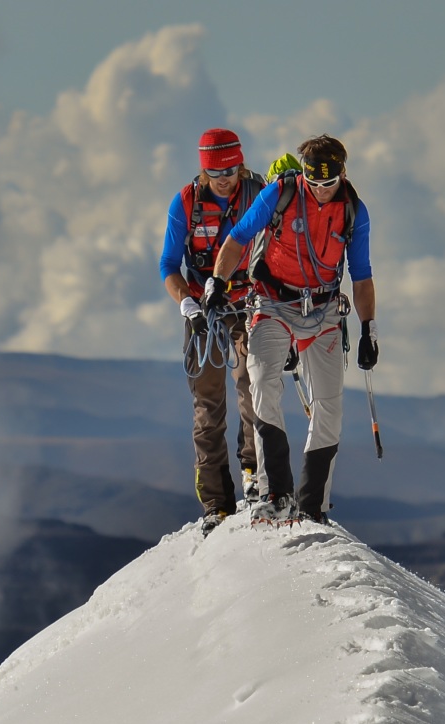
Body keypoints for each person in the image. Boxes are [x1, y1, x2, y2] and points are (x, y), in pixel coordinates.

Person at [204, 134, 378, 525]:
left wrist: (369, 330)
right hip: (272, 302)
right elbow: (238, 238)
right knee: (263, 381)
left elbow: (362, 275)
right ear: (303, 176)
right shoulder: (281, 194)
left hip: (324, 308)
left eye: (328, 183)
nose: (320, 192)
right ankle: (275, 492)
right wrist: (217, 281)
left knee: (330, 405)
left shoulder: (353, 210)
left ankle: (313, 504)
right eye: (314, 184)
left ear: (342, 174)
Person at [159, 128, 264, 536]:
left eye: (231, 169)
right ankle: (216, 504)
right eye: (215, 171)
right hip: (203, 308)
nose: (224, 178)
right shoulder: (186, 203)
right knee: (208, 406)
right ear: (203, 169)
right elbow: (169, 263)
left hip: (250, 301)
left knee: (253, 385)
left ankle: (256, 476)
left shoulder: (259, 193)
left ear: (241, 163)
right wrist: (186, 303)